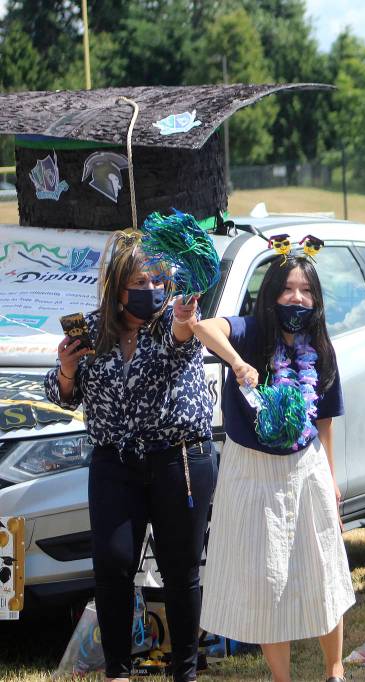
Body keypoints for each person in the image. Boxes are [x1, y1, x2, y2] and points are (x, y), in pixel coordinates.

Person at [44, 230, 216, 682]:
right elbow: (65, 396)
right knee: (113, 564)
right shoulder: (91, 329)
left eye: (158, 280)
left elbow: (182, 344)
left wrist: (183, 318)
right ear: (116, 286)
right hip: (115, 462)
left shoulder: (174, 320)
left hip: (178, 459)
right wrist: (65, 371)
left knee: (181, 571)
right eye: (139, 282)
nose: (151, 291)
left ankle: (185, 672)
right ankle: (116, 672)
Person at [194, 250, 354, 682]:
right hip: (252, 472)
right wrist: (236, 360)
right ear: (270, 295)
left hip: (307, 468)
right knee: (266, 580)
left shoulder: (321, 347)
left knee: (323, 568)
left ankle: (335, 670)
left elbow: (324, 421)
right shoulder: (249, 332)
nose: (296, 297)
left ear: (316, 299)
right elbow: (203, 327)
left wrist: (333, 481)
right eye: (287, 288)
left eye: (305, 290)